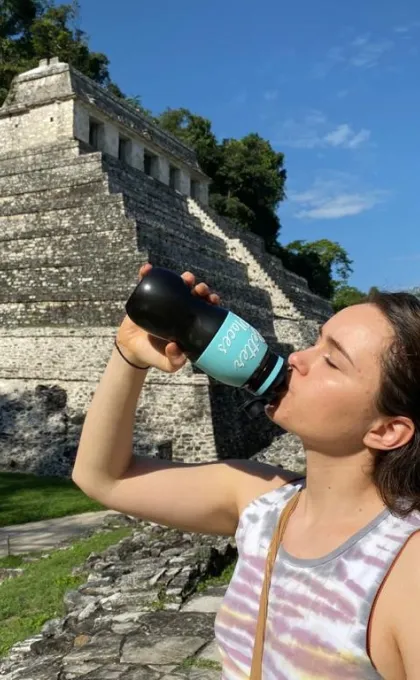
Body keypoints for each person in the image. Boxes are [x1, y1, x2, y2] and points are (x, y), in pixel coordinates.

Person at [72, 262, 420, 680]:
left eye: (333, 361)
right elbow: (102, 477)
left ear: (387, 431)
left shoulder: (405, 569)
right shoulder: (263, 502)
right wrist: (130, 353)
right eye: (316, 341)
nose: (297, 358)